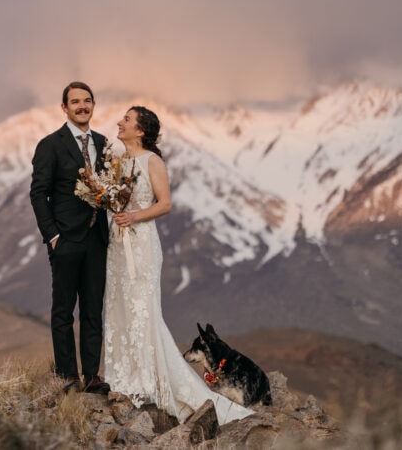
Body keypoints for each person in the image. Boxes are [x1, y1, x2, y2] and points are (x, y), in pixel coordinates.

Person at [103, 106, 253, 424]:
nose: (120, 122)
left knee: (143, 311)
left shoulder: (152, 161)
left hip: (141, 245)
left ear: (140, 130)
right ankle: (121, 380)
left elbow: (165, 203)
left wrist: (132, 216)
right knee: (118, 308)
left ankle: (147, 383)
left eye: (127, 120)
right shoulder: (116, 162)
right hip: (117, 246)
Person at [30, 81, 112, 394]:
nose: (82, 106)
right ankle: (67, 376)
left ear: (93, 105)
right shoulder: (50, 144)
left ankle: (91, 375)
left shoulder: (104, 144)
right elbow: (38, 193)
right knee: (63, 311)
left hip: (97, 240)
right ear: (64, 107)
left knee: (93, 310)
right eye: (75, 101)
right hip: (64, 240)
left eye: (87, 101)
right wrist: (52, 236)